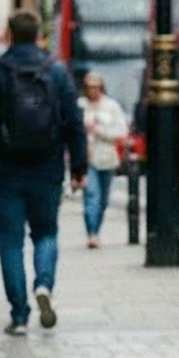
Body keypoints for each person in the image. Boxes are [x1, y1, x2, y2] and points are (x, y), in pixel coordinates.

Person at [0, 10, 87, 336]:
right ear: (38, 35)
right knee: (46, 233)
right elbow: (74, 122)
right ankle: (44, 283)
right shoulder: (56, 72)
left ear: (9, 34)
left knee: (10, 241)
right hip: (47, 168)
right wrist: (79, 166)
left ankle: (19, 315)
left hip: (6, 169)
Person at [77, 73, 131, 247]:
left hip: (107, 158)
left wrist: (102, 132)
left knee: (103, 199)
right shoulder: (80, 105)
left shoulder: (111, 106)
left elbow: (122, 131)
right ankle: (91, 233)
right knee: (92, 195)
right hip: (86, 158)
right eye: (89, 87)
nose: (92, 91)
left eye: (96, 87)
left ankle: (96, 230)